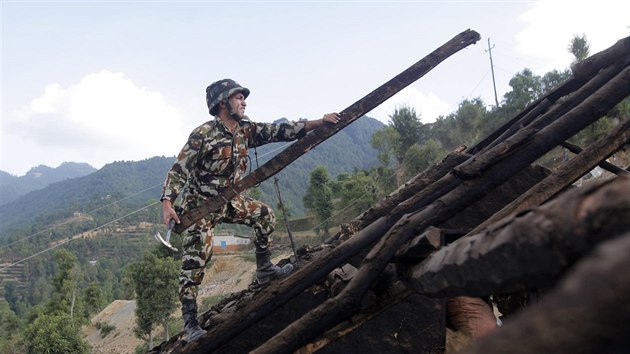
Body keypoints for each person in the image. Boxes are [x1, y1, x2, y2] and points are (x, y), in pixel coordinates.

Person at [160, 78, 340, 343]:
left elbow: (281, 130)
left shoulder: (246, 130)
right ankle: (190, 324)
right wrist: (167, 203)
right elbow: (179, 171)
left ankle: (265, 270)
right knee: (196, 261)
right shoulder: (204, 134)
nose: (244, 102)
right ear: (223, 103)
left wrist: (317, 122)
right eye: (238, 97)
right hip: (202, 208)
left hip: (231, 201)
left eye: (244, 98)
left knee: (265, 215)